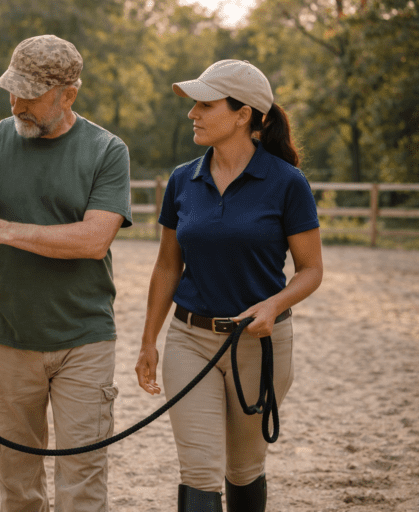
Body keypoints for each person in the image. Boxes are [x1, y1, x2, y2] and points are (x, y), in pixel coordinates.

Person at [0, 35, 133, 512]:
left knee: (83, 481)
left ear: (68, 94)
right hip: (4, 338)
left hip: (84, 340)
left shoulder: (107, 151)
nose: (17, 102)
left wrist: (6, 230)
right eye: (12, 89)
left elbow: (93, 239)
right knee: (17, 484)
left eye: (31, 92)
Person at [134, 59, 323, 512]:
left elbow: (311, 270)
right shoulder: (183, 180)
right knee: (198, 471)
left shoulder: (287, 184)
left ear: (244, 114)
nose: (192, 114)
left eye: (205, 104)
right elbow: (166, 267)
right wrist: (148, 341)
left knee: (243, 468)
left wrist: (274, 305)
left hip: (260, 345)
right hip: (189, 341)